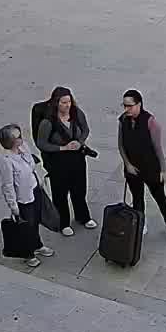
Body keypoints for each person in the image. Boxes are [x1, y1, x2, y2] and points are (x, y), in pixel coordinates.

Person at [117, 89, 166, 244]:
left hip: (150, 167)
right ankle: (141, 222)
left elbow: (158, 148)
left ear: (139, 104)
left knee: (159, 197)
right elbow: (121, 145)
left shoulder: (151, 122)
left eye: (130, 106)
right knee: (137, 197)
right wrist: (128, 164)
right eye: (124, 106)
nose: (127, 109)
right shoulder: (123, 120)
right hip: (133, 169)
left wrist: (163, 169)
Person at [34, 87, 96, 237]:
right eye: (63, 102)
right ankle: (63, 222)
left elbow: (85, 129)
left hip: (77, 158)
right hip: (58, 161)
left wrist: (80, 142)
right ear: (56, 103)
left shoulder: (76, 113)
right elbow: (41, 143)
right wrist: (62, 147)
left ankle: (83, 216)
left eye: (69, 101)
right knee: (60, 193)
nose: (67, 105)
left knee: (80, 190)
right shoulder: (47, 123)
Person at [0, 123, 54, 266]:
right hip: (23, 198)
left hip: (35, 190)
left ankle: (38, 245)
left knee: (36, 221)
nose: (22, 138)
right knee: (27, 226)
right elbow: (8, 185)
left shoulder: (24, 148)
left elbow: (32, 167)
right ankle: (28, 253)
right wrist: (13, 206)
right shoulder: (6, 161)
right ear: (10, 141)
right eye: (18, 136)